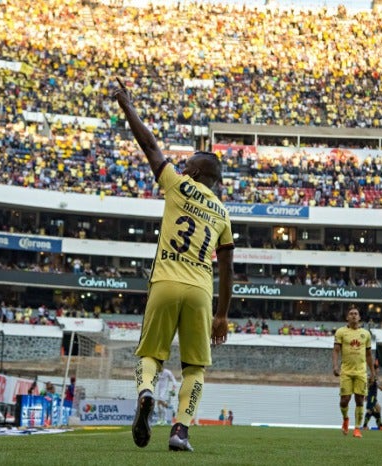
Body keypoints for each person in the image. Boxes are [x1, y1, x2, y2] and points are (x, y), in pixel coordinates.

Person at [114, 77, 234, 453]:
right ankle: (180, 431)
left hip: (165, 281)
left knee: (151, 354)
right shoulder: (224, 213)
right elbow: (229, 268)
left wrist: (126, 105)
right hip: (200, 291)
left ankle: (147, 390)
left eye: (186, 165)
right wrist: (222, 314)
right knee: (195, 368)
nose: (181, 167)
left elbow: (148, 144)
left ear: (196, 174)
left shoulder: (177, 184)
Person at [332, 306, 376, 438]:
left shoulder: (366, 334)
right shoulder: (341, 332)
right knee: (344, 400)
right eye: (351, 314)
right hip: (346, 371)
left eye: (356, 314)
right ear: (347, 317)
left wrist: (372, 372)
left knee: (359, 400)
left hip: (361, 372)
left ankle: (357, 428)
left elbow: (368, 354)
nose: (353, 316)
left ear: (359, 317)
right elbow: (336, 350)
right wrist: (335, 366)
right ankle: (346, 419)